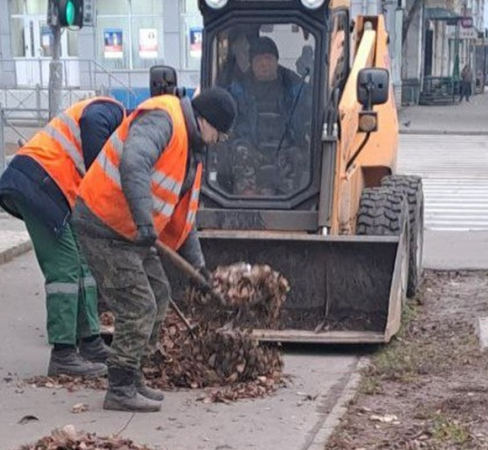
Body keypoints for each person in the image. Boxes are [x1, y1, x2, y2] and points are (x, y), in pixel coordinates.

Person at [72, 88, 237, 412]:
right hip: (104, 223)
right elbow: (134, 161)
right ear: (205, 120)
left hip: (132, 229)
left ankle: (133, 376)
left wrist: (199, 267)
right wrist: (144, 220)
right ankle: (118, 388)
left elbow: (182, 218)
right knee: (139, 304)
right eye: (220, 132)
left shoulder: (192, 154)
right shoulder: (164, 119)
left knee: (159, 292)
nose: (220, 140)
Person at [0, 97, 126, 378]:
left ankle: (90, 342)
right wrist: (100, 176)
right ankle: (63, 354)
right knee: (64, 267)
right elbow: (91, 123)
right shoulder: (113, 111)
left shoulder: (118, 136)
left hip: (56, 191)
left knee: (84, 265)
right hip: (37, 184)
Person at [227, 36, 311, 195]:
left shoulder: (296, 87)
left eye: (268, 58)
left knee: (297, 156)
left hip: (284, 149)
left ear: (276, 60)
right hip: (252, 148)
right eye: (258, 59)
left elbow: (309, 114)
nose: (264, 64)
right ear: (251, 64)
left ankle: (288, 201)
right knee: (240, 151)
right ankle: (247, 202)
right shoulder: (237, 91)